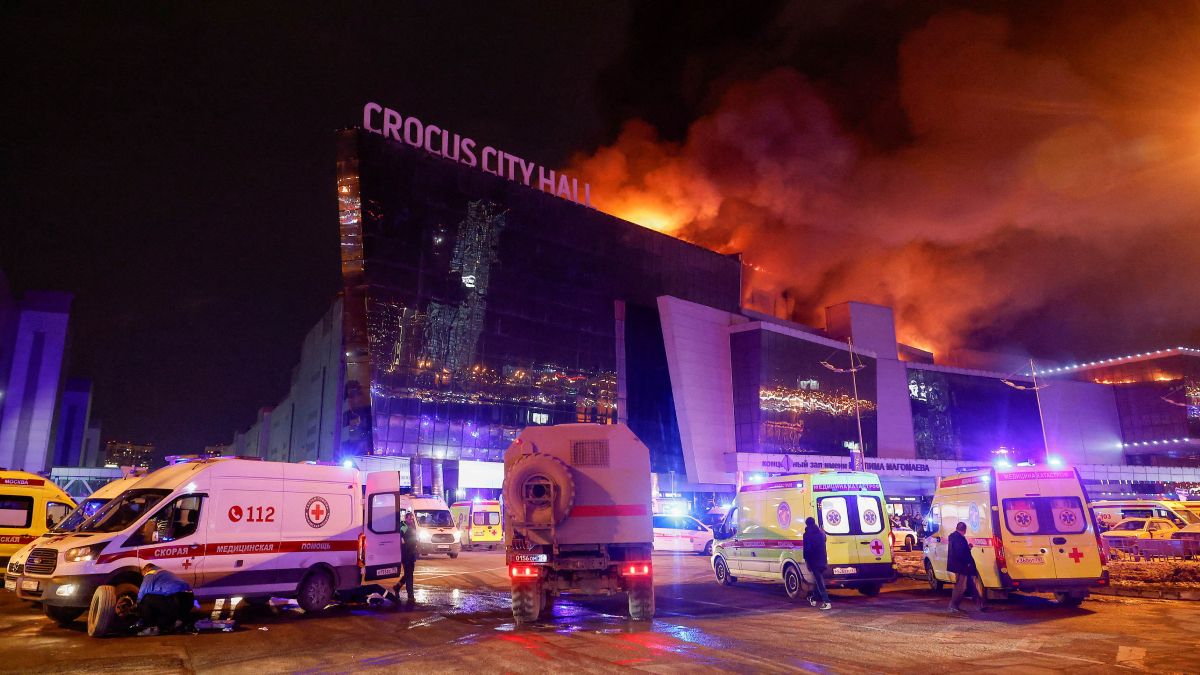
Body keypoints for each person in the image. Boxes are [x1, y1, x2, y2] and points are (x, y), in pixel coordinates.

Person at [136, 563, 194, 636]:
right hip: (189, 599)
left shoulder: (151, 573)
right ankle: (175, 622)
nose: (144, 577)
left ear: (147, 569)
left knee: (146, 598)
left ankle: (151, 627)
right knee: (161, 618)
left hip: (176, 599)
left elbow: (143, 591)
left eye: (143, 575)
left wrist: (137, 605)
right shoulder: (165, 573)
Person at [947, 521, 987, 614]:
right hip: (962, 567)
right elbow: (960, 553)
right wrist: (967, 562)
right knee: (960, 587)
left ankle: (980, 605)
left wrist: (967, 548)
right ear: (964, 530)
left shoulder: (955, 537)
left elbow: (960, 551)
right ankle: (953, 606)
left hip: (963, 566)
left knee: (971, 586)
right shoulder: (958, 538)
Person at [802, 516, 831, 610]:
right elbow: (825, 540)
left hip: (814, 561)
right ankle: (814, 599)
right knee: (817, 580)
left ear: (806, 524)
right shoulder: (821, 533)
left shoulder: (807, 534)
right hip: (823, 560)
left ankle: (827, 602)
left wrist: (807, 561)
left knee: (819, 581)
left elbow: (807, 549)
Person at [395, 511, 420, 603]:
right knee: (409, 575)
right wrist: (403, 542)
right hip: (406, 554)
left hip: (411, 553)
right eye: (409, 518)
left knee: (409, 574)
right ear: (406, 518)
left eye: (412, 518)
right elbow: (400, 535)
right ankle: (410, 595)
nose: (411, 519)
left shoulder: (413, 526)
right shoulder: (404, 525)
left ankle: (397, 587)